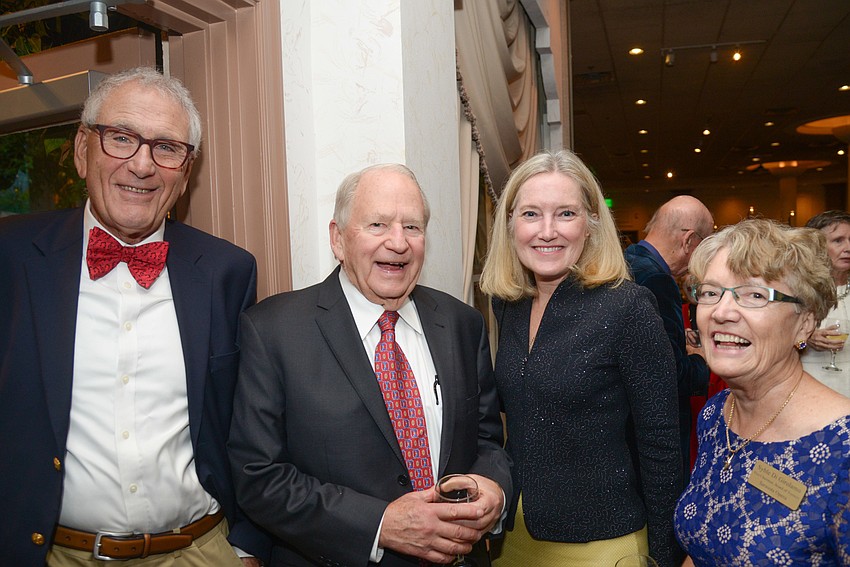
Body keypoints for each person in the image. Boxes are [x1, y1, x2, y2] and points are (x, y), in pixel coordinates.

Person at [0, 67, 268, 566]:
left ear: (186, 172)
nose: (142, 165)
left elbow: (252, 423)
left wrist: (247, 543)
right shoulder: (11, 258)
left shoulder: (228, 271)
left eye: (166, 147)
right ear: (83, 150)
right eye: (121, 138)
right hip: (55, 553)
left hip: (201, 549)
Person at [228, 163, 512, 567]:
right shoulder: (273, 330)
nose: (398, 243)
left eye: (412, 227)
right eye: (377, 224)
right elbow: (259, 477)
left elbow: (487, 442)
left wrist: (493, 489)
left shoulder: (462, 324)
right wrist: (380, 524)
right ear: (338, 239)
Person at [480, 150, 681, 567]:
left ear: (590, 222)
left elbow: (661, 443)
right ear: (511, 222)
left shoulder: (628, 307)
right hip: (513, 538)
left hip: (602, 543)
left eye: (566, 214)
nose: (547, 231)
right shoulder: (509, 304)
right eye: (531, 214)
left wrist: (665, 555)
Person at [675, 219, 850, 565]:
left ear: (805, 321)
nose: (722, 312)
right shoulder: (716, 414)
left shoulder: (843, 450)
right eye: (710, 292)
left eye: (755, 295)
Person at [624, 196, 714, 481]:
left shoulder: (625, 262)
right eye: (705, 244)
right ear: (689, 241)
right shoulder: (657, 280)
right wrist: (701, 358)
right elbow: (671, 376)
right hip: (652, 437)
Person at [802, 210, 850, 397]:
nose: (848, 247)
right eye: (838, 240)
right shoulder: (800, 289)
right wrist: (805, 338)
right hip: (811, 387)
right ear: (816, 246)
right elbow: (773, 339)